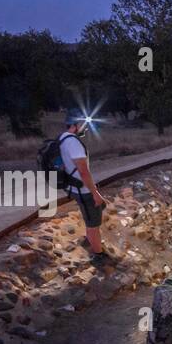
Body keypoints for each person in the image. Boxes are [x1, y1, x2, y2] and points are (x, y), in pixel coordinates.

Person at [58, 112, 110, 262]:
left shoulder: (63, 138)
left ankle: (91, 239)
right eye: (82, 125)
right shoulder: (73, 143)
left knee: (93, 215)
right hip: (83, 190)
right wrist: (95, 193)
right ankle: (98, 255)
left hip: (73, 187)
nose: (85, 128)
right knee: (93, 223)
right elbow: (83, 171)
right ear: (74, 126)